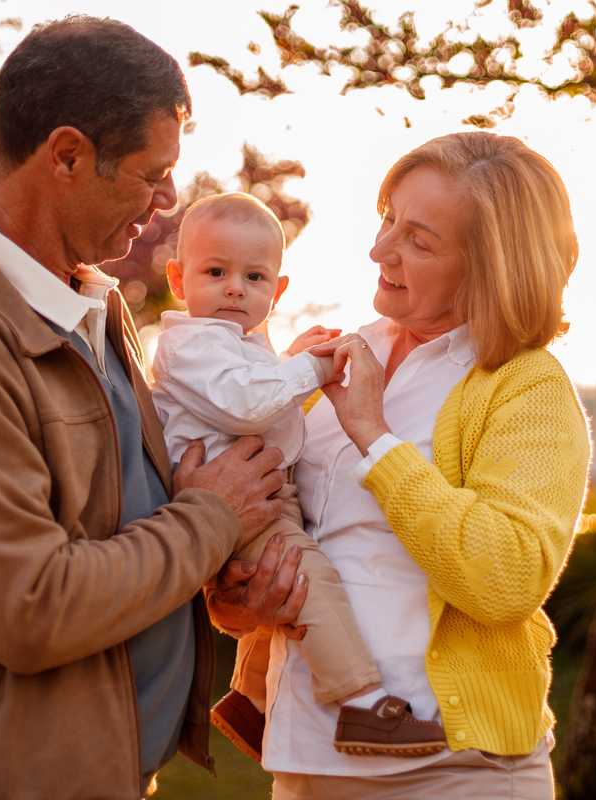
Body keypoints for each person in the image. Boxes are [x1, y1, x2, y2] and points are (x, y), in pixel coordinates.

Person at [0, 17, 304, 800]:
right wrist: (212, 523)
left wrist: (226, 585)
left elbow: (130, 526)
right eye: (149, 172)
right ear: (66, 155)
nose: (169, 198)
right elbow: (31, 608)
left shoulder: (87, 304)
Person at [248, 131, 592, 799]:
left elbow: (506, 577)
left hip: (453, 767)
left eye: (419, 241)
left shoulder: (526, 387)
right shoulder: (337, 359)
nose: (380, 250)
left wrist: (377, 439)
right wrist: (242, 599)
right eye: (387, 219)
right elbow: (285, 530)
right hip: (307, 756)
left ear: (486, 266)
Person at [150, 192, 446, 761]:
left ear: (276, 291)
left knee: (284, 593)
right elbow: (243, 404)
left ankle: (251, 698)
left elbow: (251, 388)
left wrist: (287, 358)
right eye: (216, 272)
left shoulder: (234, 345)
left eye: (254, 276)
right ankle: (364, 705)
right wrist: (306, 368)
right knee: (309, 580)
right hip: (232, 497)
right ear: (180, 280)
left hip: (257, 492)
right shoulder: (190, 344)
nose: (235, 287)